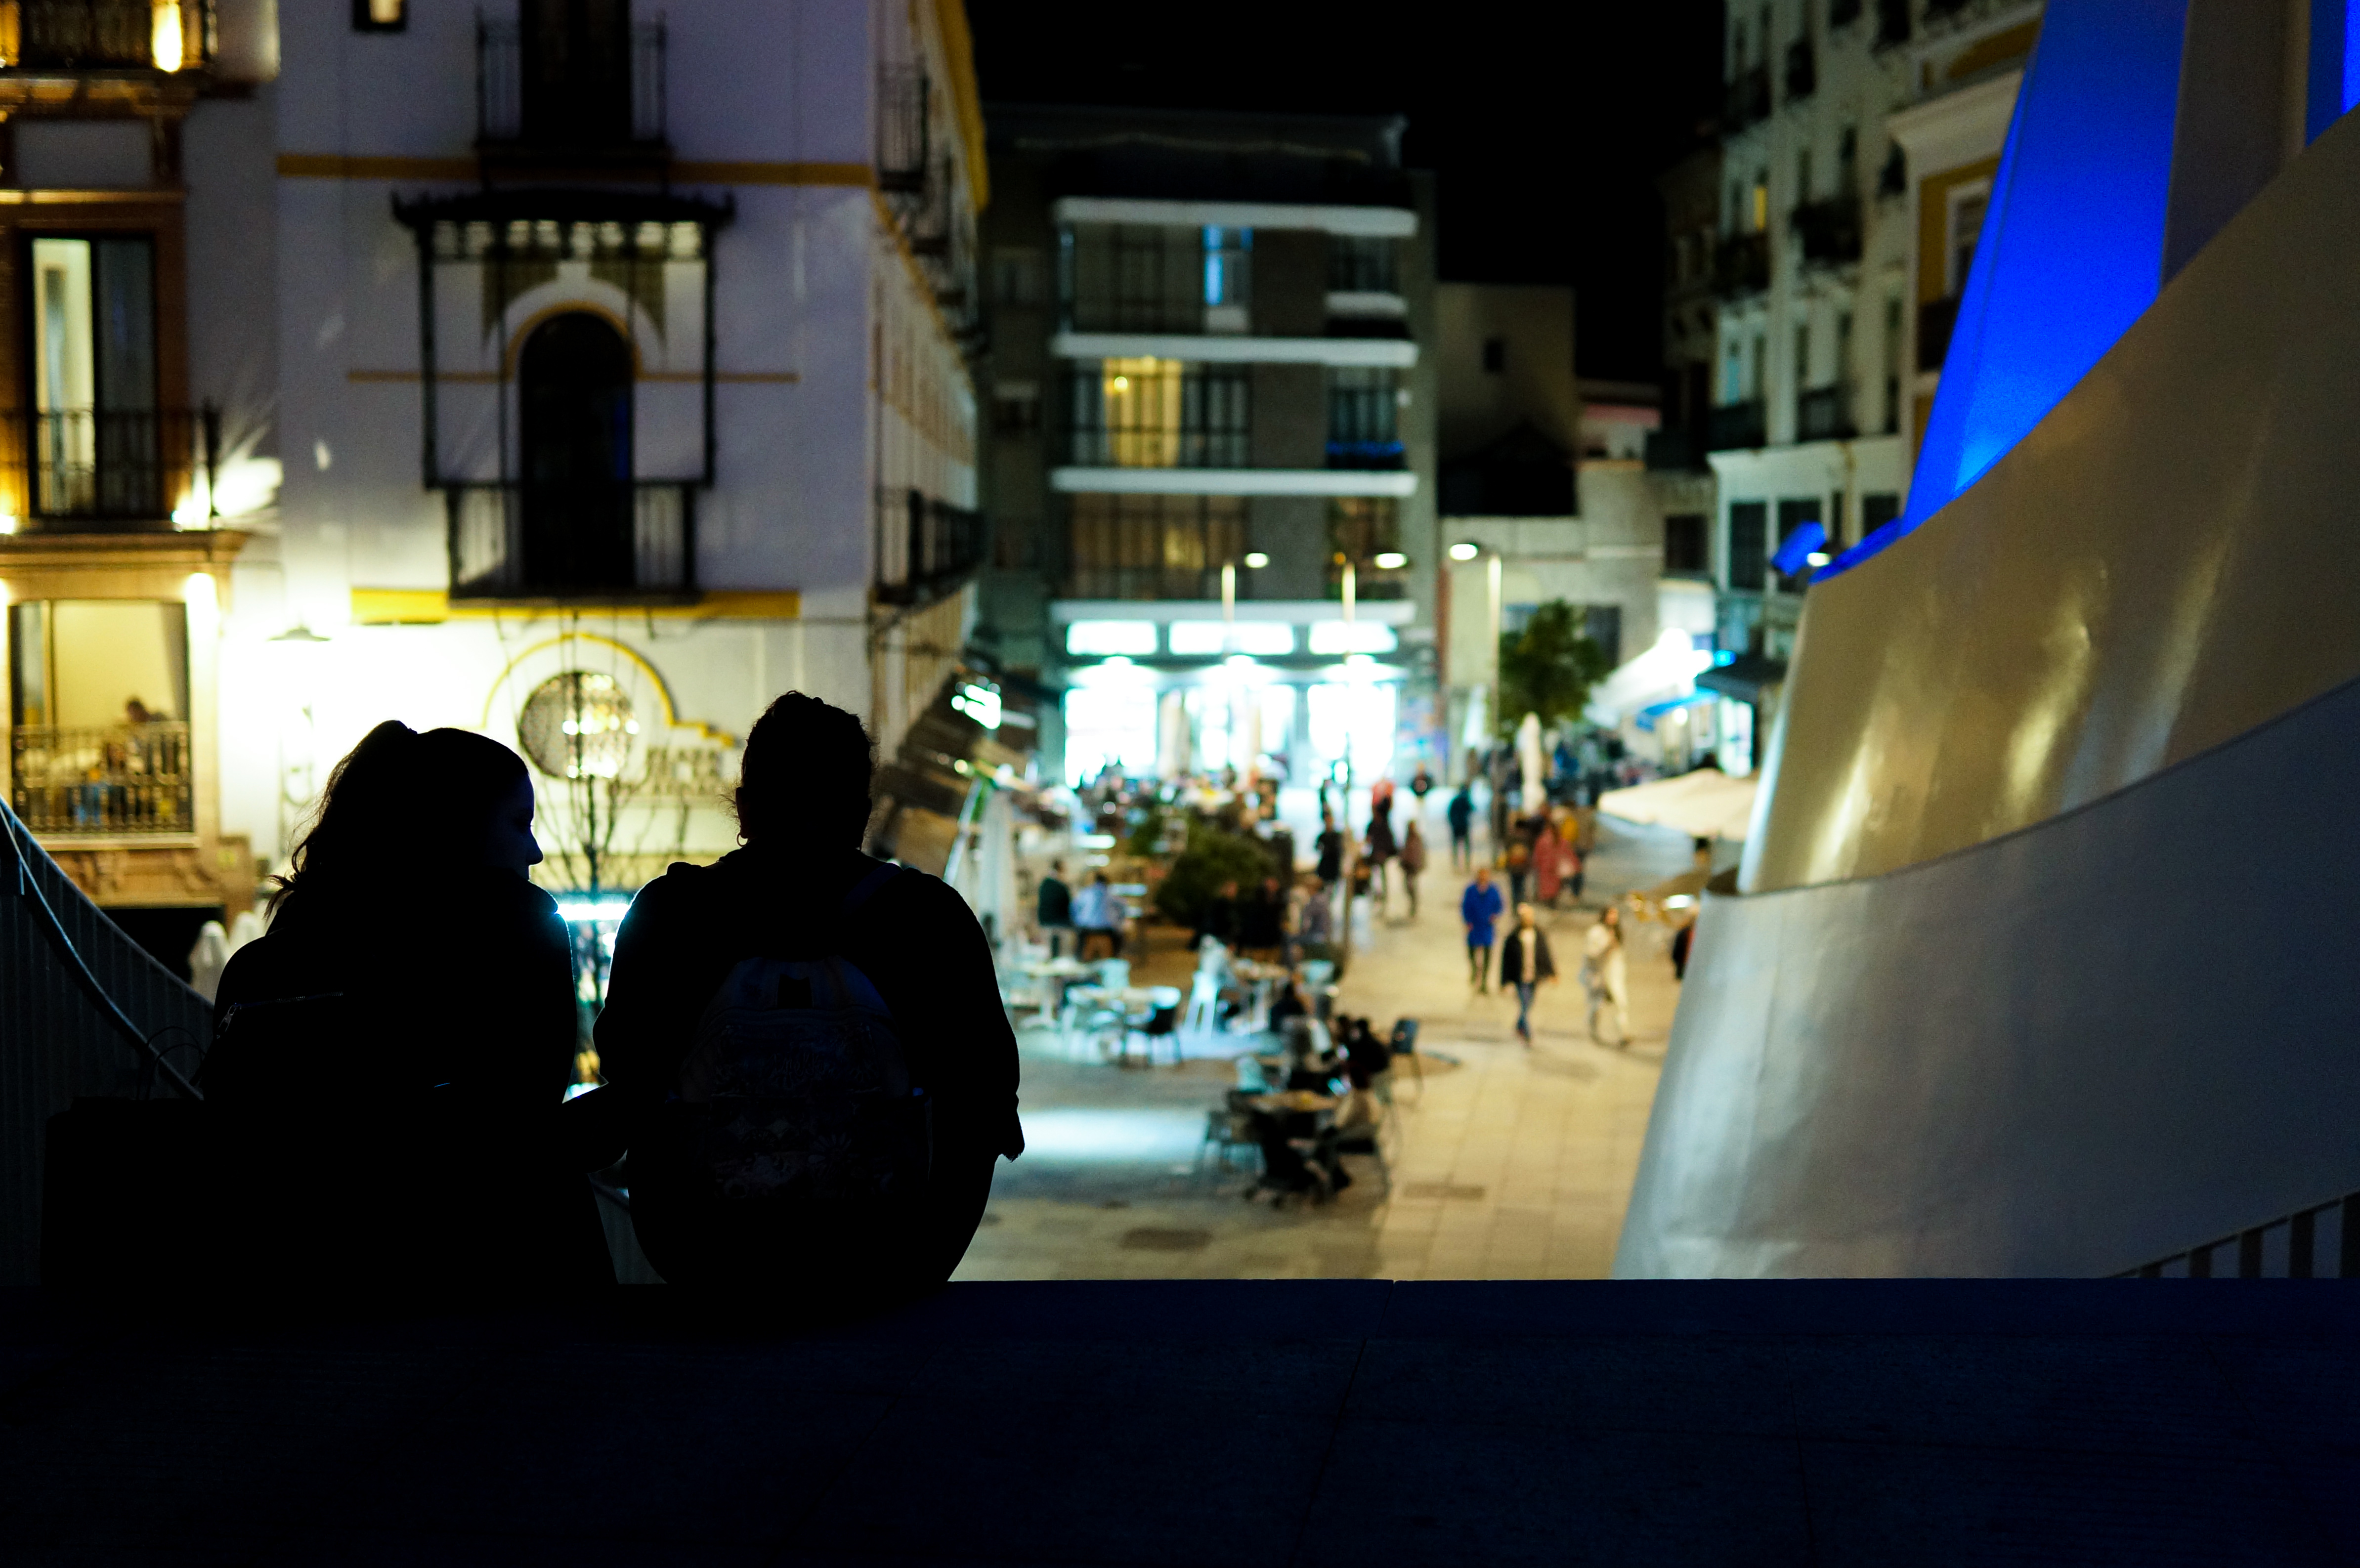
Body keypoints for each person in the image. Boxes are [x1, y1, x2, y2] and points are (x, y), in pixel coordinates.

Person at [596, 692, 1023, 1300]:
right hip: (885, 1259)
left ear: (743, 808)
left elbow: (629, 1075)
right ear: (861, 812)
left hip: (706, 1257)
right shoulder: (926, 919)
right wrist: (924, 1257)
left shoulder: (671, 915)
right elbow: (985, 1097)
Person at [205, 721, 612, 1291]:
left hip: (307, 1278)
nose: (535, 849)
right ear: (457, 825)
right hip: (491, 1270)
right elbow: (521, 1125)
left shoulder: (264, 963)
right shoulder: (518, 923)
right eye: (519, 822)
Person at [1498, 902, 1558, 1045]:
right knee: (1524, 1003)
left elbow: (1545, 955)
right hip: (1520, 978)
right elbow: (1506, 962)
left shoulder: (1539, 935)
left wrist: (1551, 973)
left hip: (1534, 977)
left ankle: (1519, 1025)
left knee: (1529, 1003)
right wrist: (1504, 982)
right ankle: (1527, 1032)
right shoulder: (1513, 938)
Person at [1583, 903, 1631, 1045]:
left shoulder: (1616, 932)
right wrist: (1606, 949)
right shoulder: (1596, 933)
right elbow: (1591, 955)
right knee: (1597, 1006)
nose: (1613, 918)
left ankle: (1624, 1033)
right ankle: (1594, 1030)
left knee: (1621, 1004)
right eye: (1610, 915)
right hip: (1599, 974)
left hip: (1615, 974)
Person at [1460, 865, 1504, 993]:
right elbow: (1465, 906)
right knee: (1472, 952)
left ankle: (1484, 981)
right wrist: (1468, 921)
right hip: (1474, 926)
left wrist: (1495, 916)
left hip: (1487, 927)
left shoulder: (1493, 891)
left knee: (1487, 955)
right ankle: (1475, 970)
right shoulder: (1471, 890)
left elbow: (1499, 905)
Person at [1071, 872, 1114, 961]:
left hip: (1087, 928)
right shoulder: (1111, 894)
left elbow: (1074, 908)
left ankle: (1082, 961)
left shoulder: (1086, 892)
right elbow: (1121, 909)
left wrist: (1077, 921)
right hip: (1106, 929)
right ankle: (1110, 961)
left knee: (1080, 943)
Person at [1035, 859, 1073, 957]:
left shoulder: (1044, 884)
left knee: (1048, 952)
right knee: (1062, 954)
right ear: (1061, 869)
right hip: (1060, 923)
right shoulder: (1062, 886)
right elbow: (1068, 905)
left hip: (1045, 922)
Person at [1398, 820, 1427, 918]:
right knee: (1407, 886)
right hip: (1408, 866)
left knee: (1413, 886)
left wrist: (1421, 864)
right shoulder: (1407, 839)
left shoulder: (1417, 838)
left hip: (1414, 866)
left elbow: (1421, 852)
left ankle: (1414, 904)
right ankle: (1413, 902)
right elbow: (1404, 852)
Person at [1446, 784, 1474, 871]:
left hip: (1457, 826)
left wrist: (1453, 823)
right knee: (1466, 846)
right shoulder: (1465, 800)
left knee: (1456, 846)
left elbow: (1450, 814)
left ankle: (1456, 864)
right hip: (1463, 826)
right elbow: (1472, 809)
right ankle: (1466, 864)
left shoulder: (1455, 800)